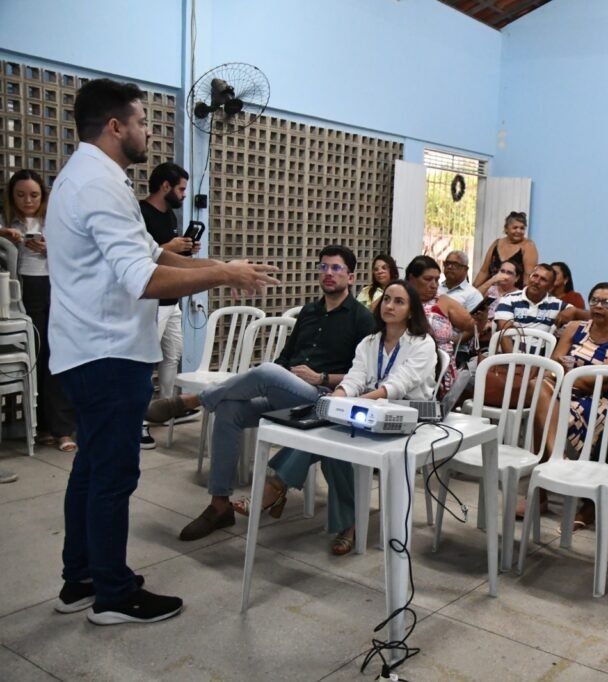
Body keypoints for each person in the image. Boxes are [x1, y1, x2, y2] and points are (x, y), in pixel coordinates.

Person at [47, 78, 278, 624]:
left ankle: (80, 577)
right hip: (107, 354)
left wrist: (223, 270)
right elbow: (143, 279)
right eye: (143, 121)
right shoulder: (98, 186)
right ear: (114, 126)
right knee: (112, 475)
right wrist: (222, 274)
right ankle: (112, 594)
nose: (149, 131)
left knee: (91, 469)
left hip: (89, 350)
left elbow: (156, 255)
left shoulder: (89, 177)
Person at [169, 245, 372, 542]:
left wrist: (322, 377)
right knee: (229, 411)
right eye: (324, 267)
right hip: (290, 393)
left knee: (264, 373)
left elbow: (364, 377)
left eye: (337, 268)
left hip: (324, 400)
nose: (328, 274)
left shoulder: (361, 318)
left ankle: (196, 400)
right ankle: (219, 504)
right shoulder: (309, 313)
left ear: (351, 277)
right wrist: (282, 375)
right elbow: (284, 358)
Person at [235, 280, 437, 555]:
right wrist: (338, 398)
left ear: (412, 311)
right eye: (387, 299)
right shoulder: (369, 342)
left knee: (333, 430)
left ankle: (276, 487)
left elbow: (397, 386)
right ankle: (347, 524)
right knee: (329, 437)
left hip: (409, 418)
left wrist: (349, 406)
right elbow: (354, 378)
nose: (389, 305)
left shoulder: (421, 343)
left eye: (399, 301)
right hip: (369, 412)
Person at [526, 282, 608, 526]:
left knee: (542, 409)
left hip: (601, 400)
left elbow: (601, 380)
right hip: (565, 390)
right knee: (538, 387)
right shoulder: (575, 328)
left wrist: (573, 374)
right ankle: (559, 459)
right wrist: (574, 376)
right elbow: (554, 364)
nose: (599, 306)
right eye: (595, 300)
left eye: (607, 302)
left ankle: (540, 494)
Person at [1, 169, 77, 453]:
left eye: (33, 195)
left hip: (55, 287)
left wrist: (50, 249)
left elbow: (75, 252)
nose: (27, 201)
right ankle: (45, 426)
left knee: (57, 357)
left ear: (43, 195)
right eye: (20, 195)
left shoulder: (53, 221)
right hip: (21, 291)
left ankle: (62, 429)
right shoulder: (8, 220)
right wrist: (6, 235)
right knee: (37, 355)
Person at [138, 162, 197, 449]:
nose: (184, 194)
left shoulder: (170, 215)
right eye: (181, 188)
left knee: (172, 356)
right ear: (165, 186)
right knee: (144, 360)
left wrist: (184, 249)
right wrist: (170, 248)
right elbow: (143, 257)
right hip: (151, 300)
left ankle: (166, 409)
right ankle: (139, 422)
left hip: (173, 301)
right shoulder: (140, 214)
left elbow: (167, 252)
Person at [406, 255, 474, 392]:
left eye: (437, 280)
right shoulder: (398, 300)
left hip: (441, 372)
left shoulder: (443, 301)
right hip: (407, 365)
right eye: (427, 279)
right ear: (411, 278)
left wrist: (481, 318)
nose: (434, 285)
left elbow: (472, 326)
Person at [492, 264, 573, 351]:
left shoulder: (556, 304)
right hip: (508, 359)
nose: (537, 281)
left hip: (538, 361)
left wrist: (572, 311)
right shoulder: (509, 299)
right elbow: (505, 334)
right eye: (535, 276)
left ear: (550, 287)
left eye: (543, 279)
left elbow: (584, 315)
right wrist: (515, 362)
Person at [473, 211, 537, 290]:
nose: (519, 231)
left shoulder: (528, 246)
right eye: (515, 228)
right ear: (506, 228)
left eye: (522, 228)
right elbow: (484, 272)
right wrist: (472, 291)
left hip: (514, 294)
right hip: (491, 292)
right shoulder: (496, 243)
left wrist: (522, 298)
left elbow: (528, 276)